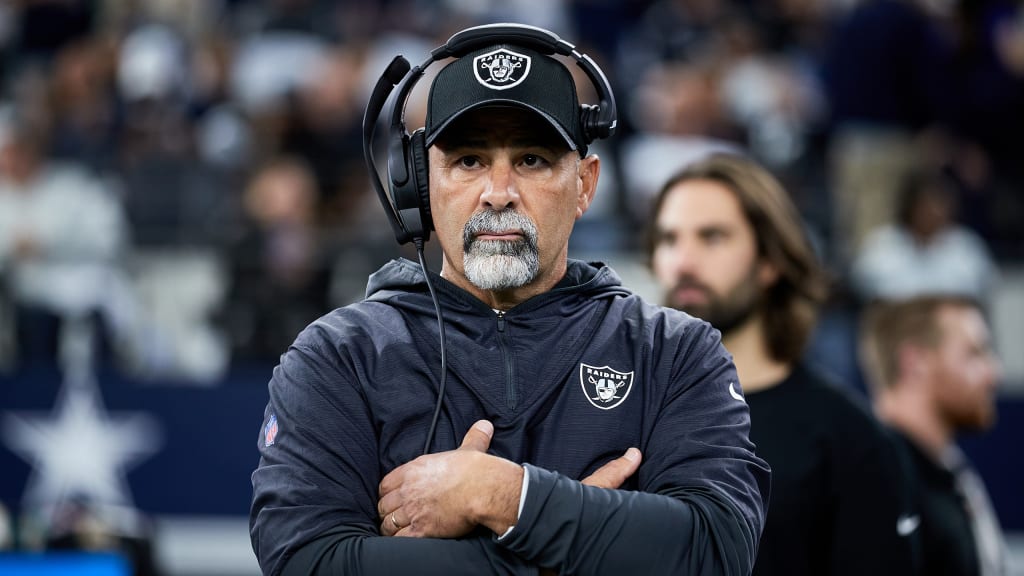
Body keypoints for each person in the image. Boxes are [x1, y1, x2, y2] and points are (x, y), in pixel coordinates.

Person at [249, 25, 769, 576]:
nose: (498, 192)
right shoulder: (338, 357)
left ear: (586, 184)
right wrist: (569, 536)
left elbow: (718, 549)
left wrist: (502, 495)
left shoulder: (676, 352)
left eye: (531, 160)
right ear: (421, 184)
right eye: (469, 160)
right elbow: (304, 560)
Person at [647, 152, 919, 575]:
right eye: (669, 239)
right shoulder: (623, 410)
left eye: (712, 237)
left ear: (770, 261)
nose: (682, 262)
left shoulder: (848, 436)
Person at [860, 295, 1009, 576]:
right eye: (974, 353)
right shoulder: (877, 482)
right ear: (915, 362)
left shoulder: (947, 473)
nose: (994, 374)